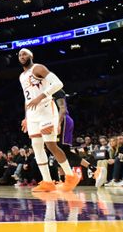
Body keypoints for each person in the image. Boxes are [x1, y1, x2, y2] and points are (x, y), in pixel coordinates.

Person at [17, 48, 81, 193]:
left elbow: (58, 84)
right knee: (37, 146)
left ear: (31, 56)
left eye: (25, 53)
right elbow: (27, 99)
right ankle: (47, 182)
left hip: (46, 110)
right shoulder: (22, 76)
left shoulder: (38, 68)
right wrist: (26, 117)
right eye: (20, 54)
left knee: (51, 145)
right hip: (33, 114)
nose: (22, 56)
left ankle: (71, 176)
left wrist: (41, 96)